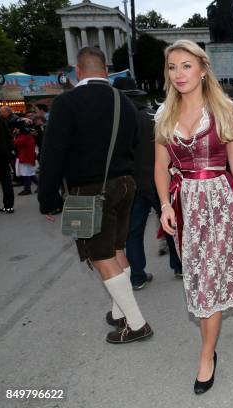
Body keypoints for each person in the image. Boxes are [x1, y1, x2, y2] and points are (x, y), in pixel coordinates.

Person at [154, 39, 233, 395]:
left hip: (218, 202)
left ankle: (207, 356)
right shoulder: (163, 115)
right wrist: (166, 205)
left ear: (202, 69)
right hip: (184, 207)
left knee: (208, 282)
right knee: (204, 277)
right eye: (172, 67)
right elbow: (160, 168)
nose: (179, 74)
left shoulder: (224, 110)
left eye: (186, 66)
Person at [38, 46, 153, 344]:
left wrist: (48, 199)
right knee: (116, 251)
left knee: (100, 257)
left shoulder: (67, 102)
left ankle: (136, 323)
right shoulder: (124, 102)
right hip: (126, 185)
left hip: (87, 191)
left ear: (78, 71)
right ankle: (119, 311)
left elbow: (52, 155)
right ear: (105, 70)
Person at [113, 76, 182, 289]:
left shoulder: (116, 121)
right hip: (158, 179)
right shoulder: (154, 117)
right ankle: (179, 265)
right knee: (170, 223)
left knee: (133, 232)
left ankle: (137, 276)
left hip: (132, 183)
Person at [13, 126, 38, 195]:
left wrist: (14, 135)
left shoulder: (24, 138)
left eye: (17, 129)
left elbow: (15, 142)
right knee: (30, 173)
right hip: (28, 158)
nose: (16, 130)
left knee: (25, 174)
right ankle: (40, 186)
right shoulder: (28, 136)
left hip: (26, 158)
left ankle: (27, 189)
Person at [0, 115, 15, 213]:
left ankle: (8, 205)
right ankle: (9, 206)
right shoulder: (1, 120)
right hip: (3, 154)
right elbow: (9, 136)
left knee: (6, 180)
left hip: (1, 153)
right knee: (6, 180)